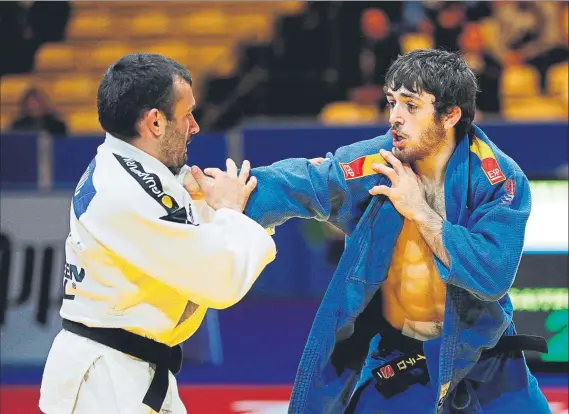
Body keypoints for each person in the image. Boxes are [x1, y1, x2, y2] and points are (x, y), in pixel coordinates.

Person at [187, 49, 550, 413]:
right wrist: (223, 188)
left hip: (486, 360)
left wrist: (419, 210)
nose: (394, 117)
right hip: (403, 359)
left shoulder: (497, 178)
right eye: (392, 102)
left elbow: (492, 271)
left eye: (411, 105)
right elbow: (308, 181)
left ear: (450, 115)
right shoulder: (379, 161)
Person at [39, 53, 277, 414]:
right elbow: (219, 278)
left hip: (128, 371)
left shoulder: (131, 168)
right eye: (187, 115)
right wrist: (230, 210)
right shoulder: (123, 192)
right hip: (106, 388)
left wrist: (249, 201)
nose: (194, 126)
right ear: (155, 122)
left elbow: (191, 229)